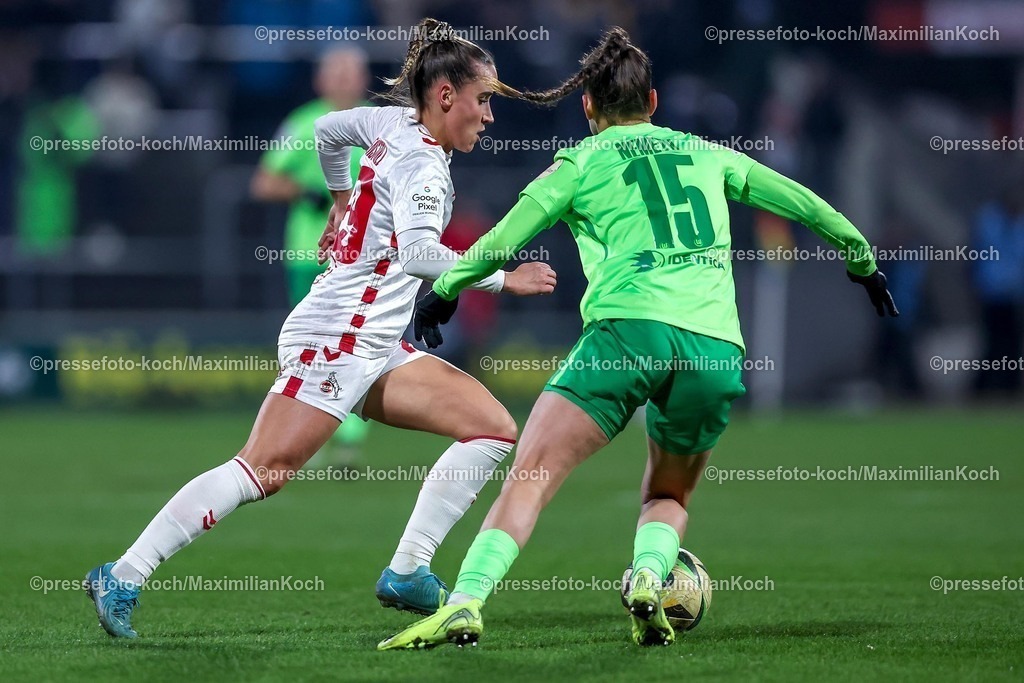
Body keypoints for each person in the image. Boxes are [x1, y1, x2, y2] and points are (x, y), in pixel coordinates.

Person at [379, 27, 897, 650]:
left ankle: (465, 602)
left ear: (588, 106)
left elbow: (499, 241)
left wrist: (445, 292)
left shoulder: (579, 163)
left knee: (532, 475)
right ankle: (649, 579)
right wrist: (862, 261)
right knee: (667, 492)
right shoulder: (706, 154)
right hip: (715, 348)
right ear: (653, 102)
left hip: (627, 334)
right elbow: (807, 204)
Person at [85, 18, 557, 639]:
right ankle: (122, 573)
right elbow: (418, 254)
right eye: (483, 98)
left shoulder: (389, 124)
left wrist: (341, 200)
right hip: (338, 336)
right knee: (263, 470)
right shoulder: (422, 164)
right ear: (446, 96)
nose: (489, 115)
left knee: (491, 429)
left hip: (375, 342)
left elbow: (327, 130)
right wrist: (502, 278)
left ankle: (408, 570)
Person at [251, 47, 375, 466]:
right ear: (320, 81)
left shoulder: (381, 126)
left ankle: (347, 440)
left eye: (350, 72)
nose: (343, 80)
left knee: (359, 344)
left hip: (363, 256)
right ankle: (310, 436)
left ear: (363, 79)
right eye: (335, 73)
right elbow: (265, 182)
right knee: (308, 347)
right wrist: (306, 192)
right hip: (308, 252)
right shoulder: (305, 124)